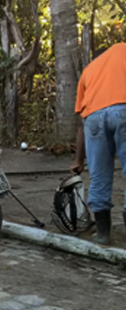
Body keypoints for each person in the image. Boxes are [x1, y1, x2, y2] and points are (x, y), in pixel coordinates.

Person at [70, 43, 126, 245]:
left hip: (93, 119)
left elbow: (82, 123)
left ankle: (103, 234)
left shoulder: (88, 71)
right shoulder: (122, 49)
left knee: (99, 176)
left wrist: (78, 160)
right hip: (123, 109)